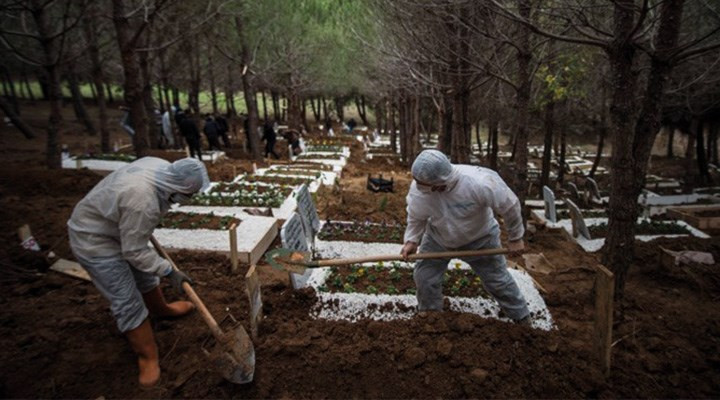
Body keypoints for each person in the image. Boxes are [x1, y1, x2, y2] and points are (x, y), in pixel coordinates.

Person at [67, 157, 210, 388]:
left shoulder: (161, 166)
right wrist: (169, 271)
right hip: (94, 239)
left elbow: (136, 246)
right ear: (177, 188)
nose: (190, 199)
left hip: (116, 224)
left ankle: (160, 309)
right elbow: (133, 252)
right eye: (189, 195)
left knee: (145, 274)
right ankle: (148, 356)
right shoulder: (142, 202)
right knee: (126, 299)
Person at [401, 149, 531, 325]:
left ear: (438, 182)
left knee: (497, 280)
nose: (416, 185)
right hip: (439, 238)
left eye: (420, 182)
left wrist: (516, 238)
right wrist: (412, 240)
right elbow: (416, 216)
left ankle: (521, 317)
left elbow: (509, 205)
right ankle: (430, 317)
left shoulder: (479, 182)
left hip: (480, 239)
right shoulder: (420, 190)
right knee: (425, 277)